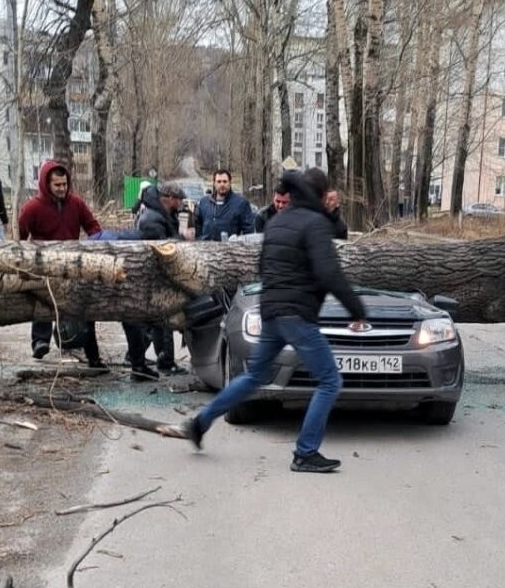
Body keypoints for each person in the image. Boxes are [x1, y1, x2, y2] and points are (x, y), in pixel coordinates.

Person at [164, 167, 367, 474]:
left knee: (254, 376)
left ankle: (199, 423)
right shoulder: (314, 224)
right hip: (296, 314)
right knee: (329, 380)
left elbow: (263, 266)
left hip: (270, 309)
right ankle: (305, 452)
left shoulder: (279, 221)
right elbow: (329, 273)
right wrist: (356, 309)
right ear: (319, 195)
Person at [19, 160, 106, 369]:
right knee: (43, 302)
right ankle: (40, 341)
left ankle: (92, 354)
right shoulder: (32, 208)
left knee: (83, 309)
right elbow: (21, 234)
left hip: (72, 264)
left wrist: (99, 242)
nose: (62, 189)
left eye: (65, 184)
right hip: (44, 264)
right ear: (46, 184)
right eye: (57, 185)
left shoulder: (76, 204)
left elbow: (92, 226)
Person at [122, 180, 190, 379]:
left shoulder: (161, 215)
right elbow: (163, 249)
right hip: (151, 278)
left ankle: (146, 359)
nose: (181, 204)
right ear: (169, 199)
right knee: (159, 320)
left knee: (152, 322)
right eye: (179, 200)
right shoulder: (154, 219)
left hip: (151, 278)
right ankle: (161, 361)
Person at [194, 169, 254, 241]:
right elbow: (197, 227)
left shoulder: (241, 203)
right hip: (207, 249)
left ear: (229, 183)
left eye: (225, 181)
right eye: (219, 182)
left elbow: (249, 232)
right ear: (214, 183)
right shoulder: (204, 202)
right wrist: (200, 241)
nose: (222, 184)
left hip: (230, 249)